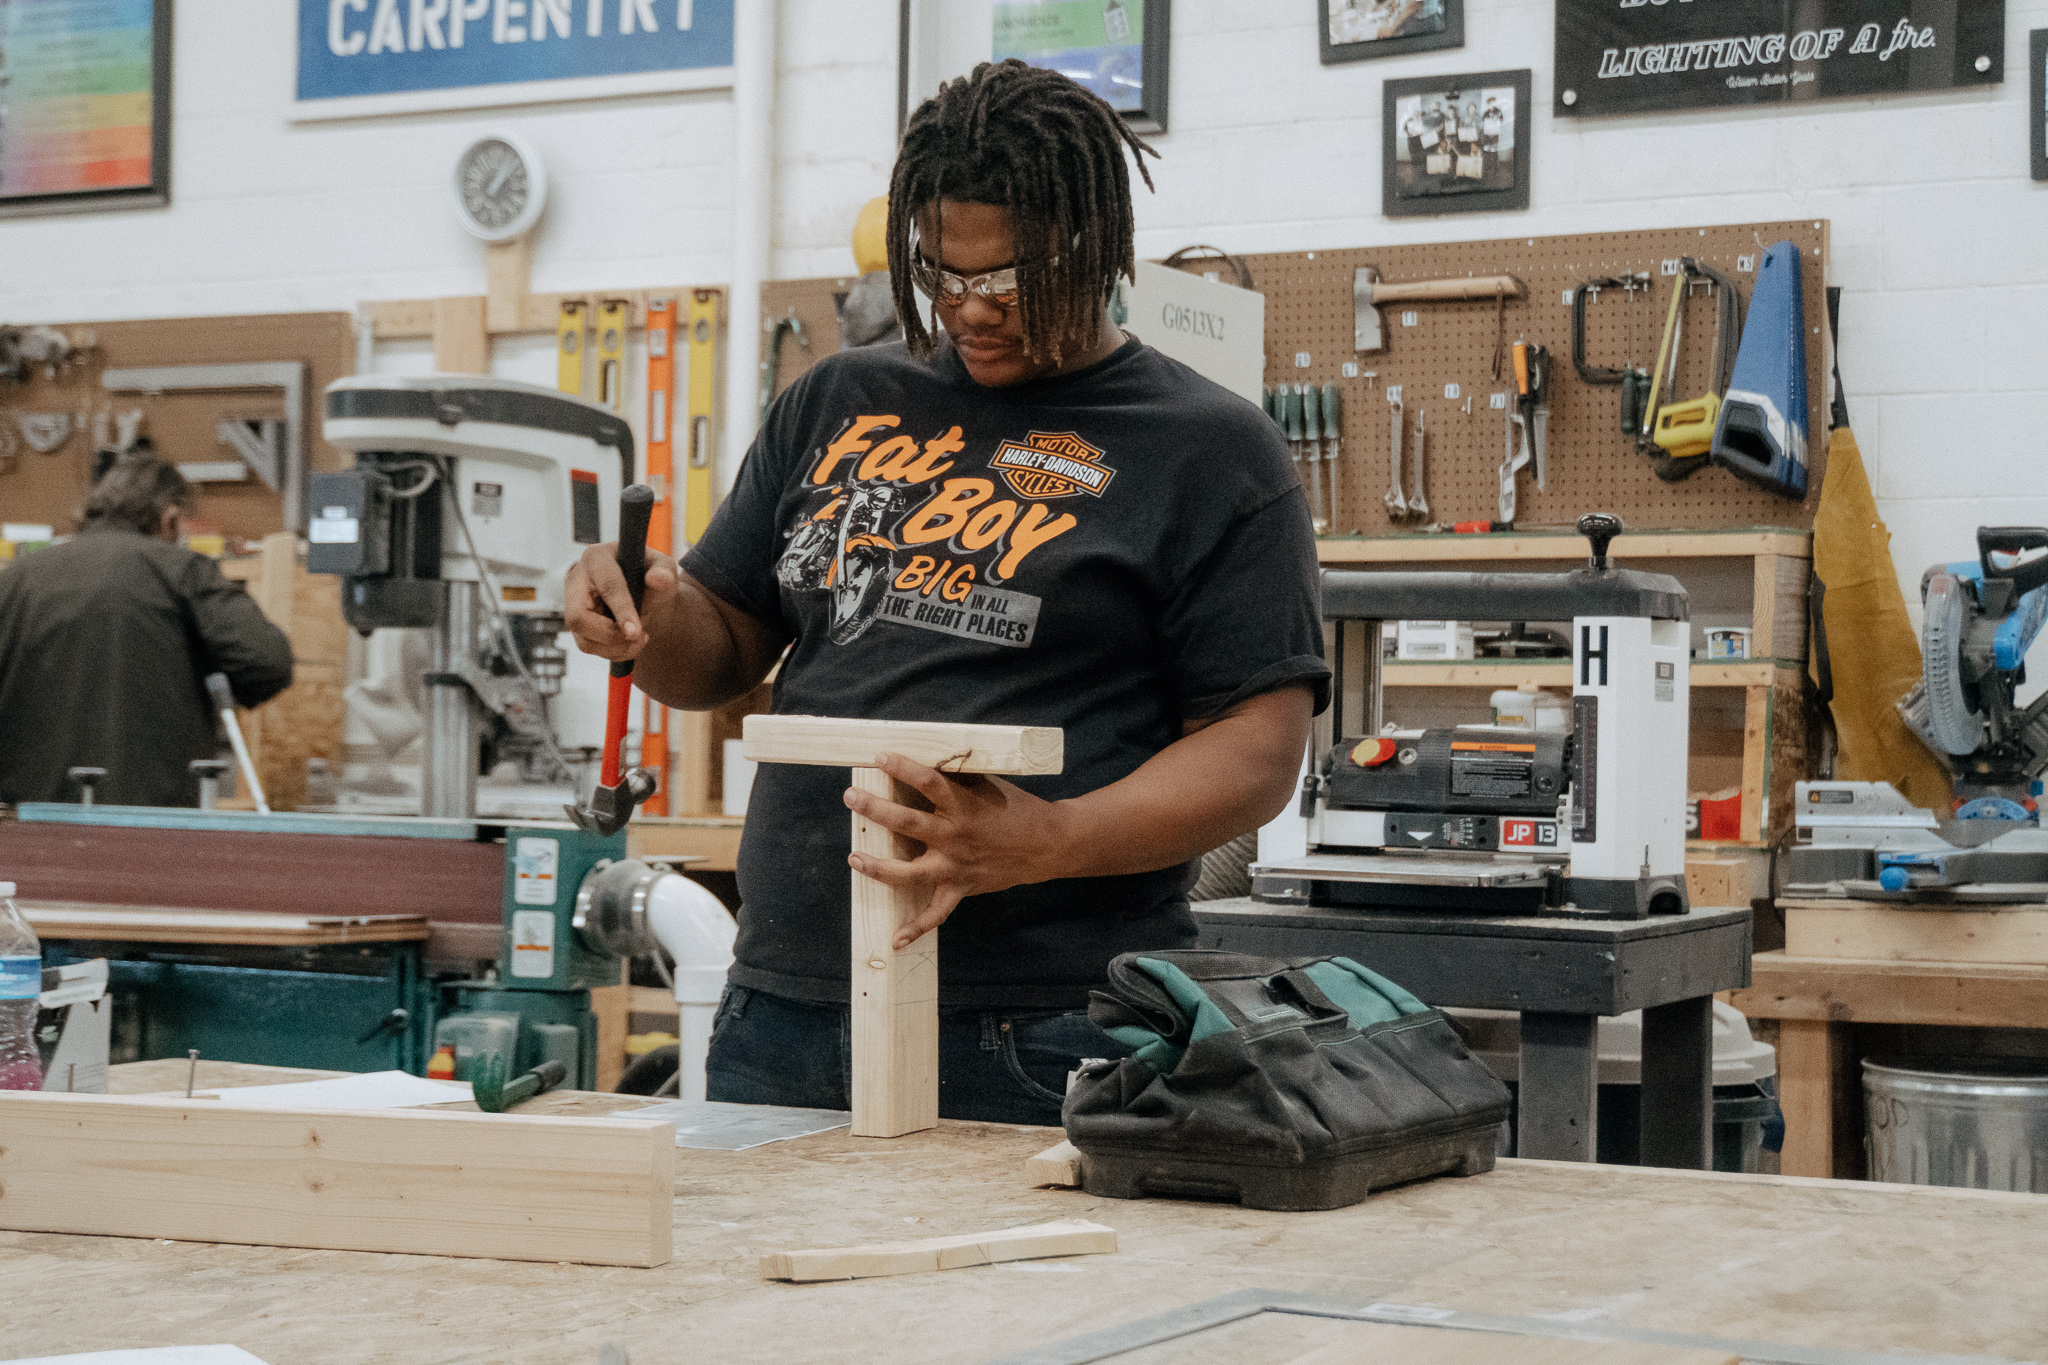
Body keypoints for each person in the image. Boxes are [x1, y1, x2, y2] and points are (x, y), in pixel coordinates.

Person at [566, 59, 1327, 1124]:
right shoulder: (838, 397)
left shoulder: (1210, 449)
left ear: (1098, 247)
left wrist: (1051, 839)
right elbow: (722, 646)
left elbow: (1255, 752)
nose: (970, 310)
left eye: (1008, 280)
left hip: (1042, 1025)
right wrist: (645, 615)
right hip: (783, 1006)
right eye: (940, 274)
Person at [0, 454, 293, 807]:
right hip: (150, 817)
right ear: (170, 518)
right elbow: (266, 661)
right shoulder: (183, 571)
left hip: (28, 817)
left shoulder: (16, 579)